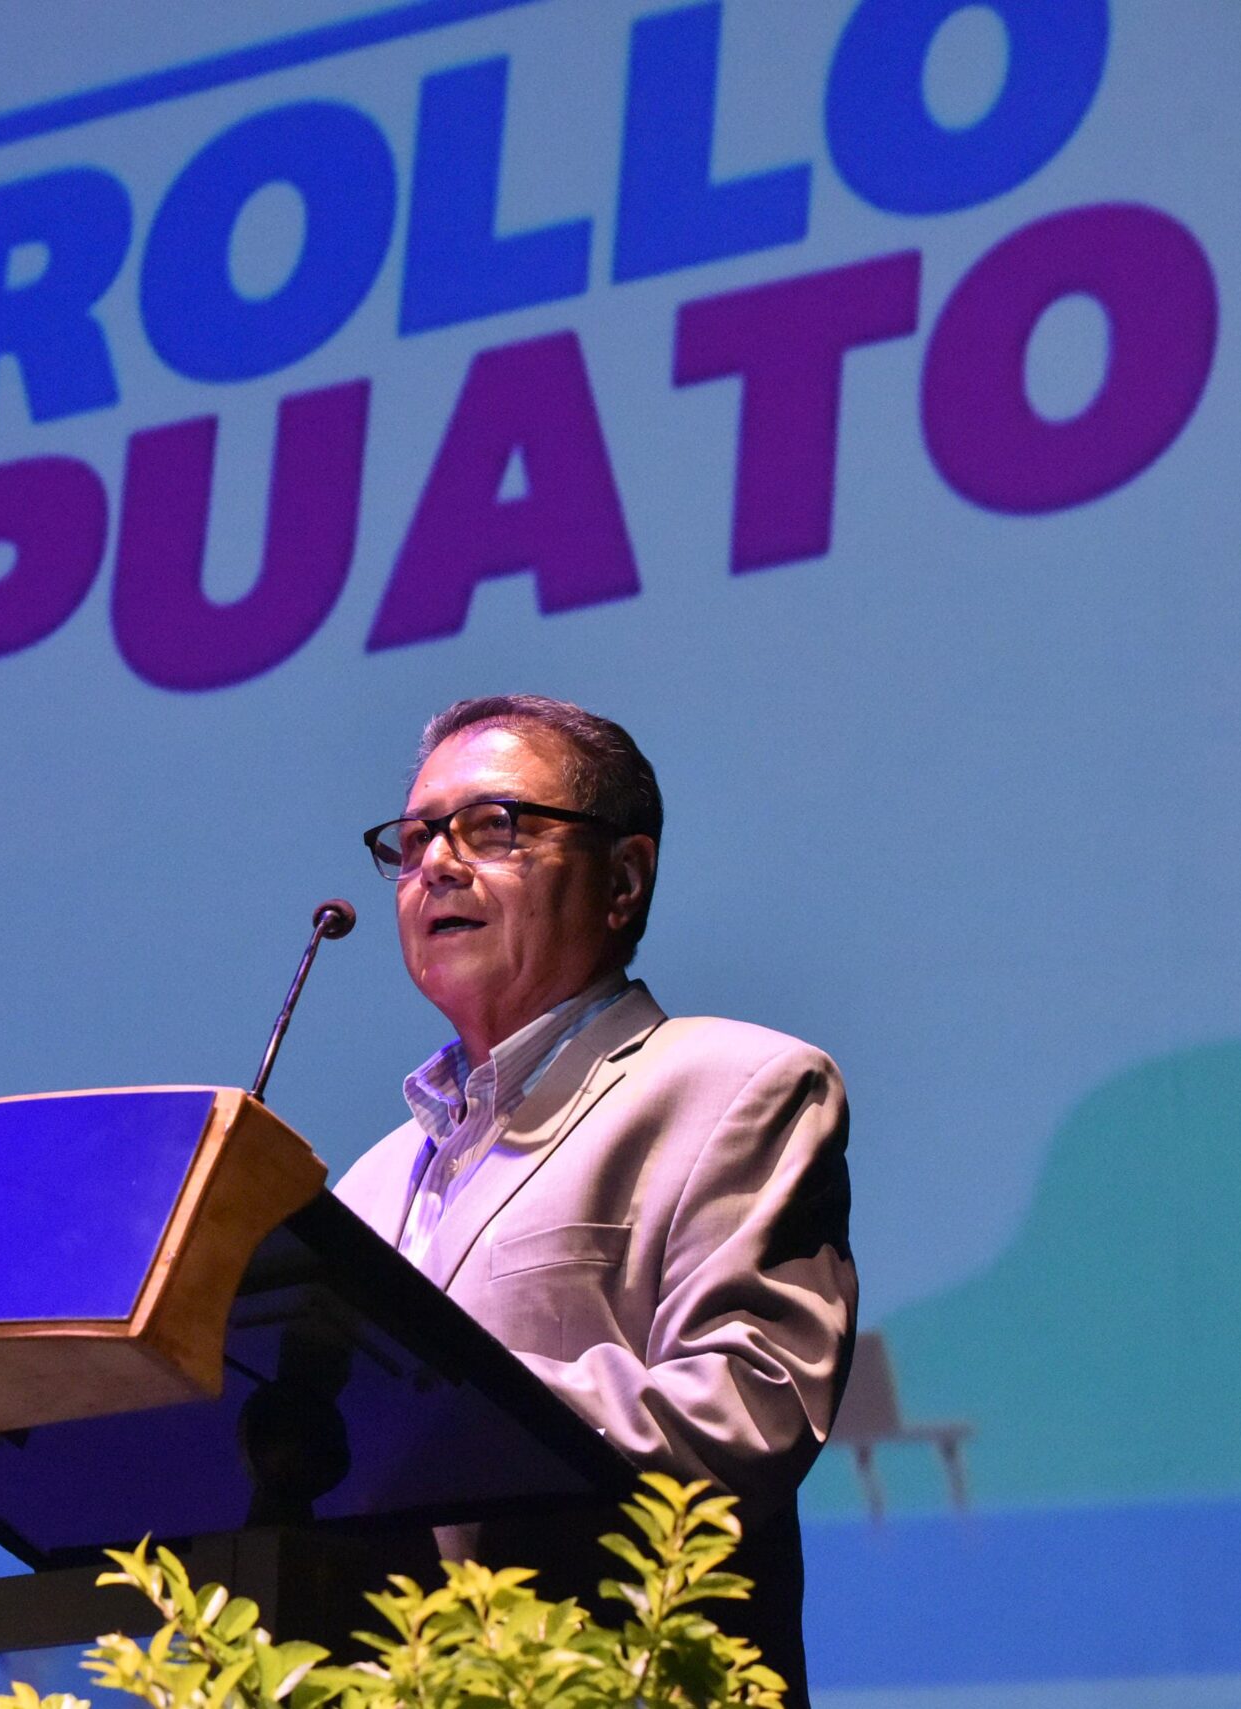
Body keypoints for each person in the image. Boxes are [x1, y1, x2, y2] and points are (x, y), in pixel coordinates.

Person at [335, 696, 856, 1696]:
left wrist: (445, 1414)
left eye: (492, 826)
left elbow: (748, 1409)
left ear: (621, 878)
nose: (437, 862)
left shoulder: (735, 1087)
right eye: (414, 838)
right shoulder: (365, 1186)